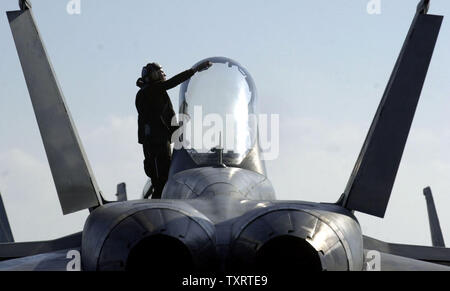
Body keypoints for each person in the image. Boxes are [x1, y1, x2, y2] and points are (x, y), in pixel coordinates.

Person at [136, 61, 212, 198]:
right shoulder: (149, 92)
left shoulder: (151, 93)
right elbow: (172, 83)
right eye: (158, 72)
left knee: (162, 176)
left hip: (157, 141)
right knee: (161, 180)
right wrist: (193, 71)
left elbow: (159, 117)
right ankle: (159, 204)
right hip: (155, 143)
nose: (162, 74)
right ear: (151, 76)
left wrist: (178, 128)